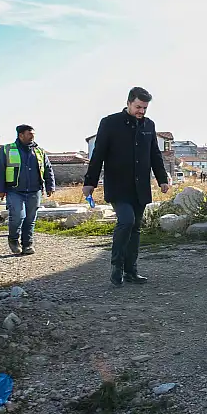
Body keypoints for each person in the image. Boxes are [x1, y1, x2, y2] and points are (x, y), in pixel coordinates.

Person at [83, 87, 171, 287]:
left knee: (136, 228)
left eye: (145, 108)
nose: (142, 111)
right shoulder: (110, 123)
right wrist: (90, 182)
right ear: (129, 102)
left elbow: (154, 155)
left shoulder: (149, 125)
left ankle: (132, 271)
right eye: (138, 107)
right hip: (118, 185)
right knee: (126, 221)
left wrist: (162, 179)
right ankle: (117, 266)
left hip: (140, 187)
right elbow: (98, 155)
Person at [0, 124, 56, 255]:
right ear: (21, 135)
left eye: (33, 135)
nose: (32, 137)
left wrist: (50, 186)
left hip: (35, 190)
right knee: (17, 216)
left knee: (30, 218)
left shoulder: (39, 151)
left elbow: (48, 169)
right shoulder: (7, 149)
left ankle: (27, 244)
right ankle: (13, 239)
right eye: (30, 134)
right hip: (14, 190)